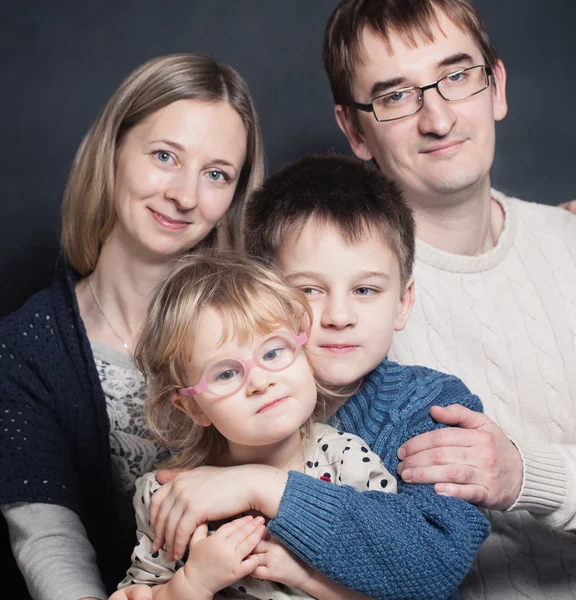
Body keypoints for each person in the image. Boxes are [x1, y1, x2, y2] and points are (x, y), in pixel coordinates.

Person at [111, 154, 490, 600]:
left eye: (365, 289)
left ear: (403, 302)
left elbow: (434, 565)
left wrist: (259, 485)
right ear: (263, 295)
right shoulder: (218, 419)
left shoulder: (429, 406)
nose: (339, 316)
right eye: (309, 289)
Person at [321, 1, 576, 598]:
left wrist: (524, 475)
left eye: (457, 77)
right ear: (354, 130)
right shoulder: (335, 308)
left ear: (495, 86)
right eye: (396, 96)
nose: (439, 120)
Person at [0, 53, 264, 600]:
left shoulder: (264, 320)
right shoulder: (26, 349)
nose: (185, 196)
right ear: (113, 151)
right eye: (165, 156)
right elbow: (50, 543)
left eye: (216, 174)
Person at [120, 250, 398, 599]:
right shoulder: (169, 498)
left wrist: (305, 577)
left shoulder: (345, 463)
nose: (260, 381)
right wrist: (193, 583)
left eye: (272, 352)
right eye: (225, 373)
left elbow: (396, 583)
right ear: (192, 407)